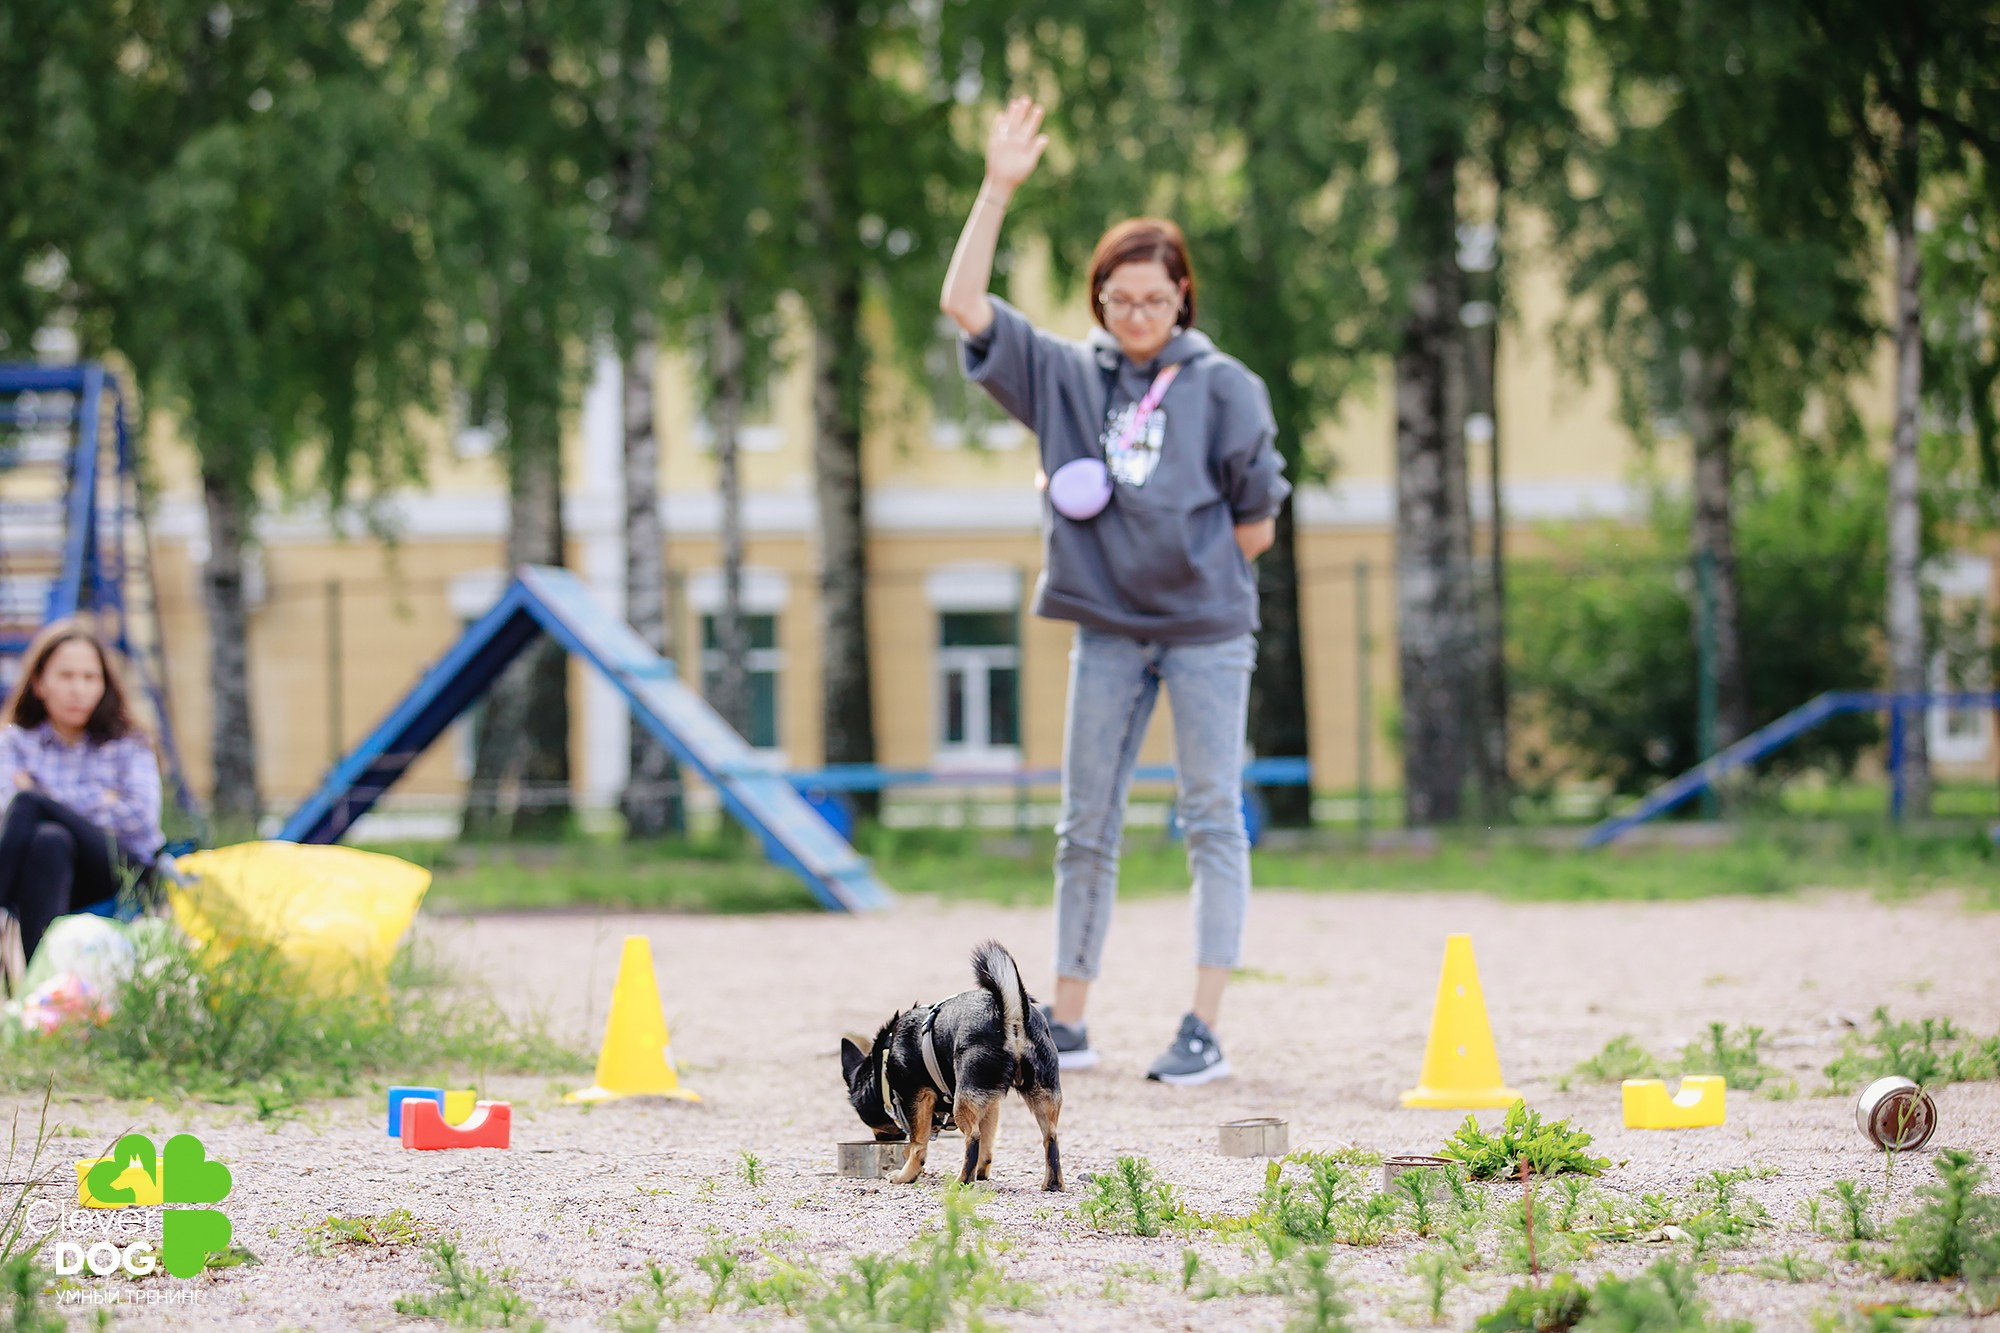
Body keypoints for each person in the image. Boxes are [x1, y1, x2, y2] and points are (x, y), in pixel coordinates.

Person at [939, 98, 1290, 1085]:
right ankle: (1071, 1022)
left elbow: (1256, 522)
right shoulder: (1063, 376)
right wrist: (997, 186)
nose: (1134, 316)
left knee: (1208, 816)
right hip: (1103, 632)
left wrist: (1183, 567)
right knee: (1082, 823)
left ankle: (1201, 1027)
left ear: (1182, 296)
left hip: (1205, 631)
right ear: (1097, 301)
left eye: (1153, 299)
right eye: (1116, 300)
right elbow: (963, 302)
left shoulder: (1224, 387)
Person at [0, 621, 165, 965]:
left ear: (104, 684)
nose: (79, 689)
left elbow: (140, 820)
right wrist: (98, 799)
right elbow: (6, 816)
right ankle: (42, 990)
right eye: (66, 676)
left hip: (122, 872)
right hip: (46, 870)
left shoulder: (129, 742)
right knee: (49, 839)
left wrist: (45, 797)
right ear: (39, 683)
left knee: (30, 803)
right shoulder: (15, 742)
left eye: (90, 678)